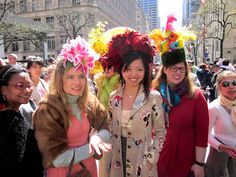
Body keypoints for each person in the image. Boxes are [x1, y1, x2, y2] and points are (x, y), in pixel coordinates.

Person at [33, 36, 111, 177]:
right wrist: (91, 146)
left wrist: (97, 137)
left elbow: (106, 126)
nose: (78, 82)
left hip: (89, 169)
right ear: (60, 78)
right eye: (71, 77)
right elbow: (56, 158)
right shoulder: (48, 109)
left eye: (81, 76)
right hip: (63, 173)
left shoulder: (90, 101)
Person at [151, 15, 209, 177]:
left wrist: (199, 164)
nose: (177, 72)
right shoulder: (154, 93)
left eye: (181, 69)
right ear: (165, 70)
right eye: (173, 68)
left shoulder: (196, 96)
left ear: (186, 70)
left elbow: (202, 133)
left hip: (186, 157)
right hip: (159, 157)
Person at [107, 30, 166, 177]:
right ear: (122, 71)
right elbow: (109, 127)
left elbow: (161, 132)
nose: (134, 74)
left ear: (146, 71)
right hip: (117, 161)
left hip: (142, 163)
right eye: (129, 69)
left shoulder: (153, 97)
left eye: (139, 69)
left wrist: (152, 157)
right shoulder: (114, 98)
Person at [0, 65, 43, 177]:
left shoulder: (13, 114)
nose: (26, 90)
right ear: (3, 89)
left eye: (29, 85)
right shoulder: (10, 120)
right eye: (19, 86)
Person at [205, 70, 236, 177]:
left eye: (234, 83)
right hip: (219, 157)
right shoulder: (214, 107)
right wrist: (221, 146)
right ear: (219, 87)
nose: (231, 87)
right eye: (226, 84)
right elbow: (205, 133)